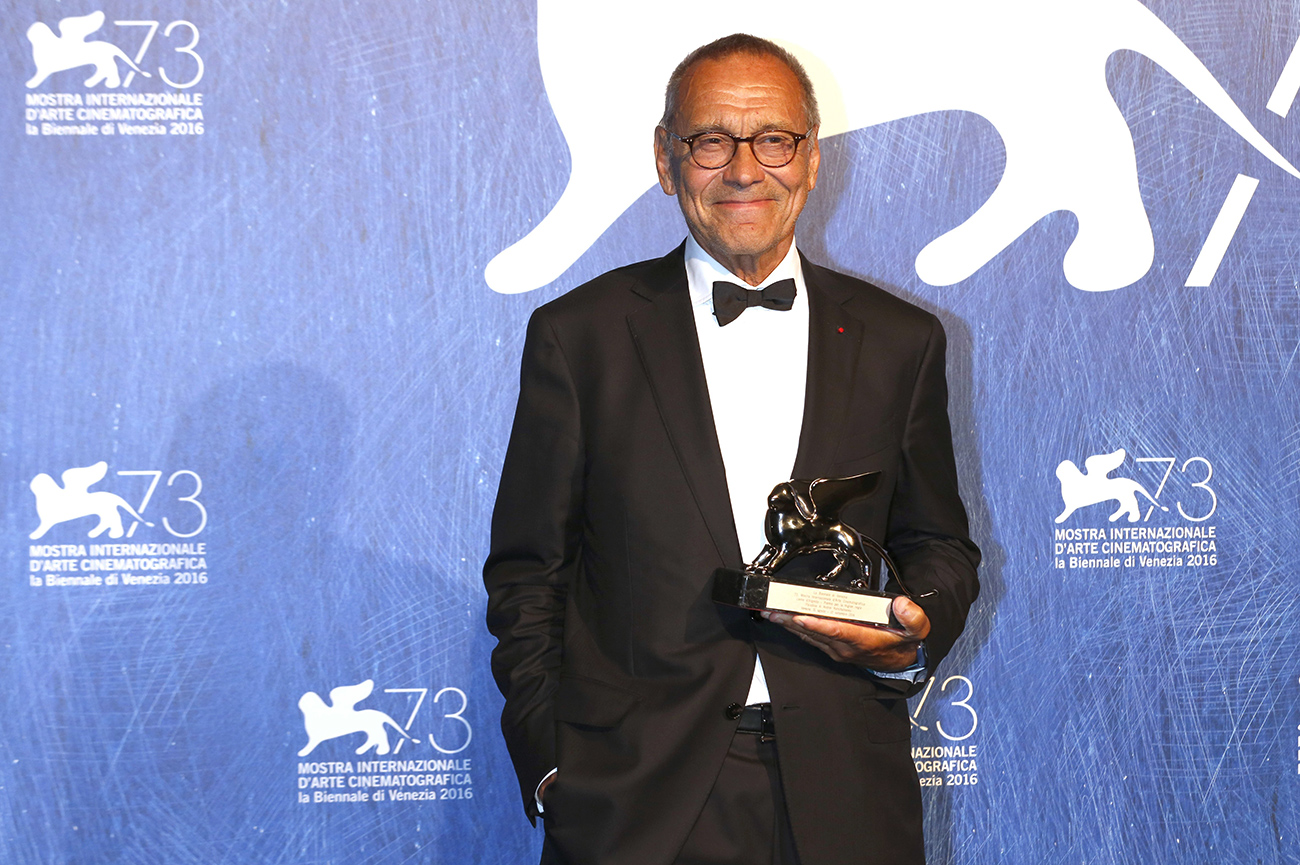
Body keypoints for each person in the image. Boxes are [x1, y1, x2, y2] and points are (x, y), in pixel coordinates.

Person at [484, 33, 980, 865]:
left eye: (773, 139)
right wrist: (553, 769)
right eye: (711, 139)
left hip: (846, 796)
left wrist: (918, 619)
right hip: (635, 803)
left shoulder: (903, 341)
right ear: (665, 159)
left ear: (811, 159)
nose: (744, 169)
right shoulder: (580, 337)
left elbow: (938, 543)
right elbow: (529, 571)